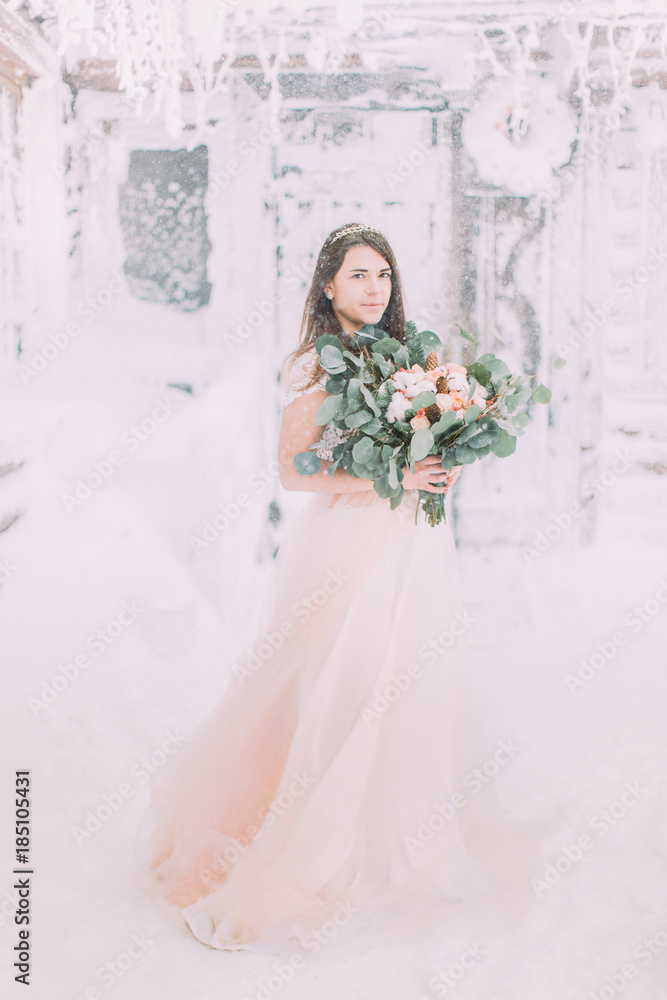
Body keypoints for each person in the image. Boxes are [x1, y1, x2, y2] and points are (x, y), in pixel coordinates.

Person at [137, 223, 544, 957]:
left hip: (413, 544)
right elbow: (295, 471)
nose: (372, 287)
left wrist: (439, 457)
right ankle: (310, 834)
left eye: (382, 274)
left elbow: (421, 435)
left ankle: (396, 836)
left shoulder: (411, 357)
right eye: (357, 275)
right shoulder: (311, 367)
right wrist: (394, 475)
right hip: (348, 538)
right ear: (327, 286)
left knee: (409, 678)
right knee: (336, 681)